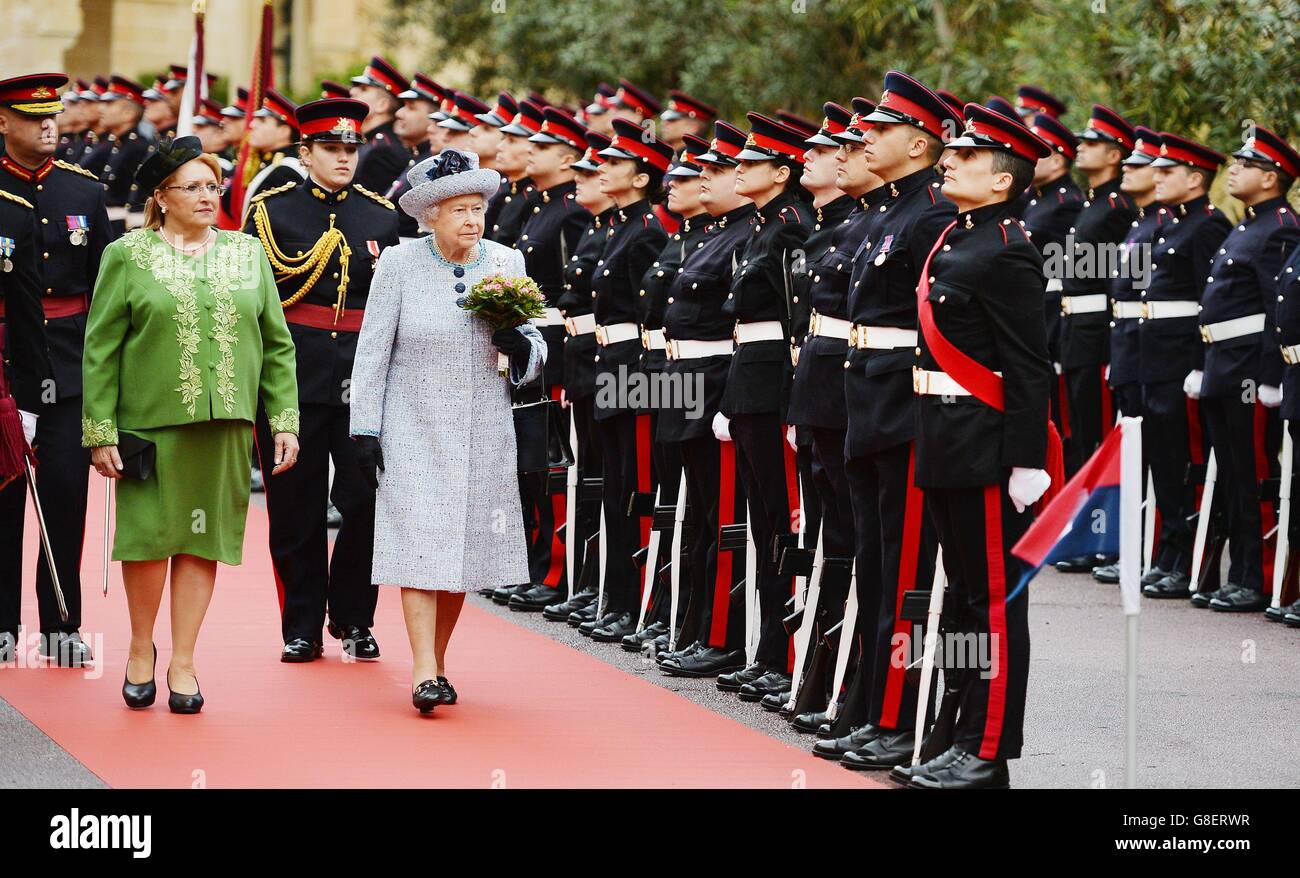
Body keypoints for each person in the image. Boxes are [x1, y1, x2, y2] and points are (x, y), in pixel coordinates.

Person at [82, 137, 300, 713]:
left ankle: (183, 658)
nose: (208, 196)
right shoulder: (127, 255)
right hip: (149, 427)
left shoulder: (248, 254)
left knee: (204, 541)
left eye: (213, 185)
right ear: (161, 197)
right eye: (193, 187)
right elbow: (100, 347)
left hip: (224, 426)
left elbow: (277, 345)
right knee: (150, 541)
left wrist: (283, 419)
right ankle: (138, 649)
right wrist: (100, 429)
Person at [350, 148, 546, 712]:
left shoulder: (507, 263)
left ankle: (438, 660)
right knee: (420, 541)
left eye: (478, 208)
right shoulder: (399, 263)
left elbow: (536, 345)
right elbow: (372, 351)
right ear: (430, 214)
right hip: (411, 421)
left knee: (461, 547)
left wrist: (522, 348)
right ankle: (421, 670)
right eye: (458, 209)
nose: (470, 219)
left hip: (482, 422)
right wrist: (364, 427)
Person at [902, 102, 1053, 789]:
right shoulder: (959, 239)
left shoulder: (1008, 249)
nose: (948, 161)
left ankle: (988, 749)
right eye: (952, 152)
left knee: (994, 601)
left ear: (1001, 181)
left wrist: (1027, 460)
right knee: (963, 597)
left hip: (988, 450)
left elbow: (1028, 365)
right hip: (942, 440)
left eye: (965, 156)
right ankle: (959, 733)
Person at [822, 73, 954, 768]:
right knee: (874, 570)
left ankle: (901, 719)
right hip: (866, 406)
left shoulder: (930, 213)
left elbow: (935, 326)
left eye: (880, 129)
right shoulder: (884, 215)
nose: (866, 137)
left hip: (904, 411)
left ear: (920, 141)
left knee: (904, 578)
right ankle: (873, 710)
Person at [244, 98, 400, 663]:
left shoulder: (385, 215)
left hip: (364, 376)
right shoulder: (270, 212)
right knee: (295, 504)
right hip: (292, 373)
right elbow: (254, 304)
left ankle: (355, 616)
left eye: (350, 149)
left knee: (365, 498)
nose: (342, 159)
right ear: (304, 152)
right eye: (330, 149)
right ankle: (302, 624)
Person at [0, 73, 112, 668]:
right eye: (30, 115)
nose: (47, 124)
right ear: (3, 122)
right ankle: (1, 622)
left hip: (69, 363)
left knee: (66, 494)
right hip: (2, 366)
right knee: (3, 497)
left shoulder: (84, 192)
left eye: (53, 114)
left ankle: (62, 622)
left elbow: (104, 287)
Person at [785, 100, 883, 731]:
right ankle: (822, 679)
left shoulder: (871, 225)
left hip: (859, 402)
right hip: (824, 395)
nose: (839, 157)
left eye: (849, 148)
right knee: (831, 546)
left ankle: (851, 689)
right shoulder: (840, 228)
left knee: (857, 547)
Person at [713, 111, 811, 700]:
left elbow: (794, 322)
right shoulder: (760, 226)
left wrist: (791, 400)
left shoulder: (790, 227)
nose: (738, 170)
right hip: (747, 380)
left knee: (781, 523)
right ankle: (766, 648)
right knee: (760, 521)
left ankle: (783, 653)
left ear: (780, 172)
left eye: (751, 163)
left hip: (773, 382)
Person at [655, 120, 756, 676]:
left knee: (720, 514)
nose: (707, 178)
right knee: (695, 511)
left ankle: (719, 634)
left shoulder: (744, 233)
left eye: (716, 171)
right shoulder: (712, 232)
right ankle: (692, 624)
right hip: (684, 376)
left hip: (715, 377)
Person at [1192, 126, 1300, 612]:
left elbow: (1276, 310)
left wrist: (1271, 377)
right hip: (1222, 364)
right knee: (1234, 476)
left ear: (1272, 176)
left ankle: (1256, 577)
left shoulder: (1280, 226)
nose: (1233, 170)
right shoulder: (1247, 224)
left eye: (1245, 165)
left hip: (1249, 371)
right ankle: (1239, 574)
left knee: (1252, 476)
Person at [500, 107, 591, 611]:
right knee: (531, 461)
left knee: (553, 461)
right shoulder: (538, 206)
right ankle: (535, 564)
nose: (528, 148)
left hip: (557, 341)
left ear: (567, 157)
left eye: (540, 143)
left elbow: (573, 292)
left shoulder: (571, 211)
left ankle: (554, 570)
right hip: (533, 339)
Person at [584, 117, 671, 641]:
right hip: (608, 363)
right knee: (614, 485)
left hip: (634, 366)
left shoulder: (645, 233)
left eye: (616, 163)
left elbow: (650, 317)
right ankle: (615, 597)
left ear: (642, 177)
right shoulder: (619, 227)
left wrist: (644, 379)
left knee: (635, 487)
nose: (603, 167)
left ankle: (636, 601)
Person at [1138, 132, 1231, 599]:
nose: (1156, 175)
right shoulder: (1169, 224)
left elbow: (1208, 302)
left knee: (1186, 463)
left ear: (1195, 178)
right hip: (1156, 356)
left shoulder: (1207, 226)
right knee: (1164, 461)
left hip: (1182, 361)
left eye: (1167, 170)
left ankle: (1191, 557)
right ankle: (1171, 551)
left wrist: (1200, 364)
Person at [542, 131, 615, 622]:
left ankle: (614, 592)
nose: (585, 180)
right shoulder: (597, 226)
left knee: (619, 479)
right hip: (589, 359)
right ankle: (590, 582)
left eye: (595, 172)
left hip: (632, 369)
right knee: (589, 473)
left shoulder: (643, 229)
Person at [1093, 128, 1166, 586]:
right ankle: (1133, 546)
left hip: (1160, 357)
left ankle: (1164, 554)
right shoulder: (1142, 222)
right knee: (1132, 455)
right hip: (1128, 350)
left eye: (1140, 166)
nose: (1128, 172)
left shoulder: (1166, 224)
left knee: (1163, 460)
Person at [1021, 113, 1083, 441]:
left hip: (1053, 327)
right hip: (1039, 320)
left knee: (1065, 427)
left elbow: (1062, 277)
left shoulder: (1066, 204)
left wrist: (1054, 340)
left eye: (1038, 153)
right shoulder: (1038, 201)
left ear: (1057, 160)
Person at [82, 76, 154, 234]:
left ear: (128, 113)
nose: (101, 109)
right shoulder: (119, 145)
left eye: (110, 104)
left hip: (123, 230)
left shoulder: (139, 147)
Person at [350, 56, 409, 194]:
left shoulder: (382, 151)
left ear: (382, 105)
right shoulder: (370, 144)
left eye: (364, 89)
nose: (352, 92)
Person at [240, 89, 304, 215]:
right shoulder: (269, 163)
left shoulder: (286, 172)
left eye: (262, 121)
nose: (252, 125)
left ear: (284, 132)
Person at [488, 98, 542, 244]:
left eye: (512, 141)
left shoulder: (533, 198)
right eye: (503, 139)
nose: (500, 147)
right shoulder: (507, 189)